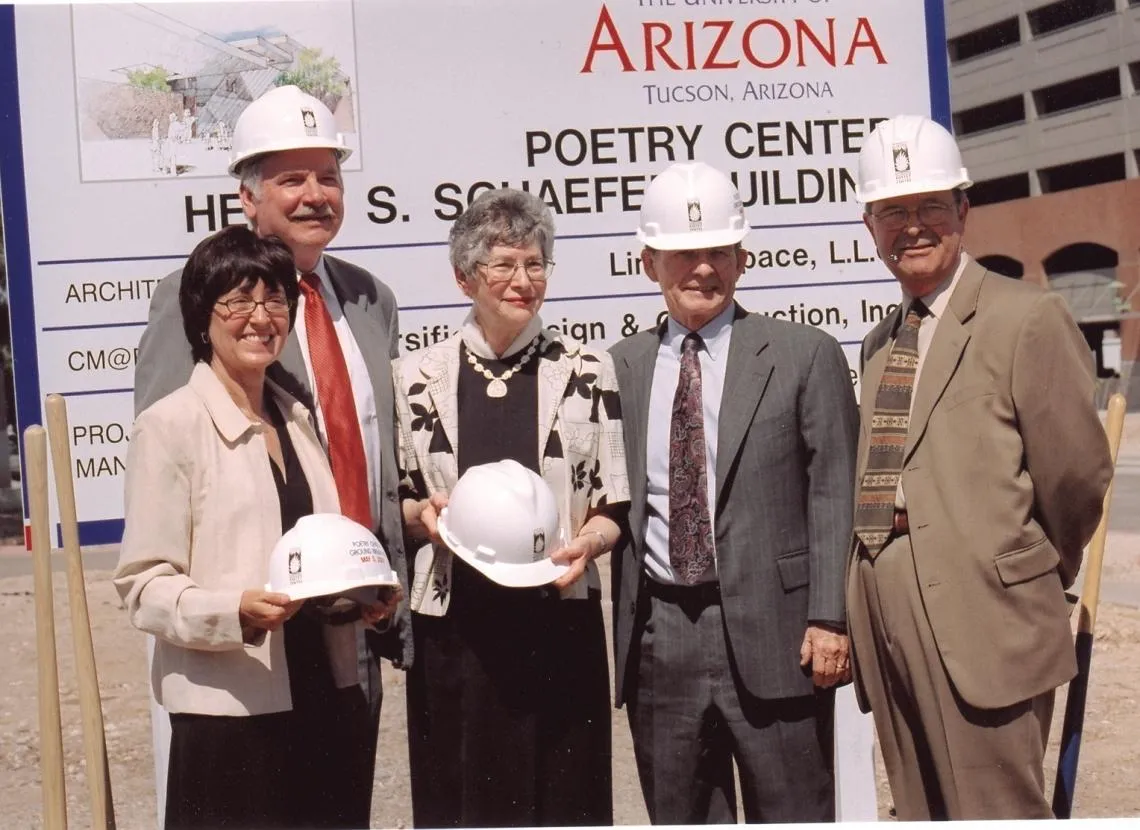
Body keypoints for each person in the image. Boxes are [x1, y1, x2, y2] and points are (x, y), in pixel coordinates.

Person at [132, 84, 408, 814]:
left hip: (346, 630)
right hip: (247, 655)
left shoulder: (372, 299)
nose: (315, 195)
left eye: (329, 176)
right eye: (292, 178)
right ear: (248, 198)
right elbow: (175, 457)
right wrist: (230, 609)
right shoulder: (191, 296)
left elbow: (375, 455)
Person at [845, 114, 1114, 820]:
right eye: (892, 211)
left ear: (964, 210)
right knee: (921, 809)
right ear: (869, 226)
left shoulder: (1024, 317)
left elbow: (1076, 479)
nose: (913, 226)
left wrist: (1021, 569)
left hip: (985, 621)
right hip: (892, 616)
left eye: (931, 206)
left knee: (995, 813)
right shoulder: (880, 344)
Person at [610, 161, 859, 824]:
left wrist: (830, 617)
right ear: (648, 262)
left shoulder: (804, 354)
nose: (702, 268)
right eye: (683, 253)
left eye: (718, 251)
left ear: (744, 258)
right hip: (661, 637)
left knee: (795, 812)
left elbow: (836, 490)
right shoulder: (622, 368)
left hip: (780, 634)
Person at [395, 187, 629, 828]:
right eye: (503, 264)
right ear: (465, 275)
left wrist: (590, 544)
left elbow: (613, 503)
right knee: (463, 801)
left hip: (558, 622)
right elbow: (403, 501)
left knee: (564, 799)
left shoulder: (587, 370)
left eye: (535, 264)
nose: (522, 280)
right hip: (455, 628)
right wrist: (424, 519)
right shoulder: (416, 377)